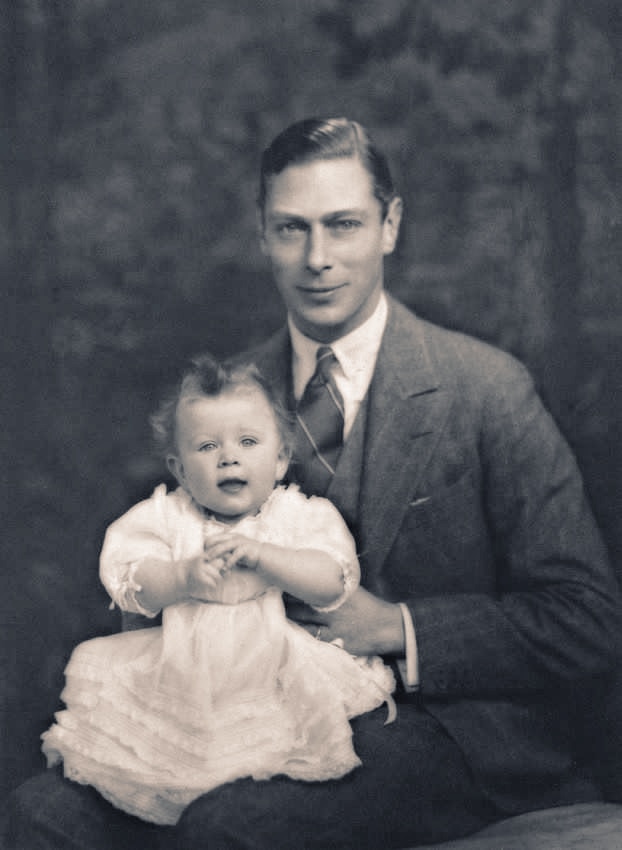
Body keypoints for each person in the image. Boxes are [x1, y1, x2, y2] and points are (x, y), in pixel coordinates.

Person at [3, 116, 621, 850]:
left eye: (344, 225)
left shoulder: (484, 389)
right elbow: (160, 557)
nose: (318, 258)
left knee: (229, 828)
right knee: (41, 816)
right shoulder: (225, 400)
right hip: (231, 708)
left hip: (447, 728)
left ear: (390, 226)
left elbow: (587, 618)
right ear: (263, 236)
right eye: (292, 229)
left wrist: (393, 626)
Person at [38, 352, 395, 826]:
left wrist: (269, 558)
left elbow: (333, 581)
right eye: (207, 447)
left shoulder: (296, 516)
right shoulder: (166, 518)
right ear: (181, 469)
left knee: (260, 780)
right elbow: (130, 581)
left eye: (248, 441)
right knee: (165, 767)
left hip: (275, 670)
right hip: (182, 675)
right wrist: (182, 576)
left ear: (282, 458)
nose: (229, 456)